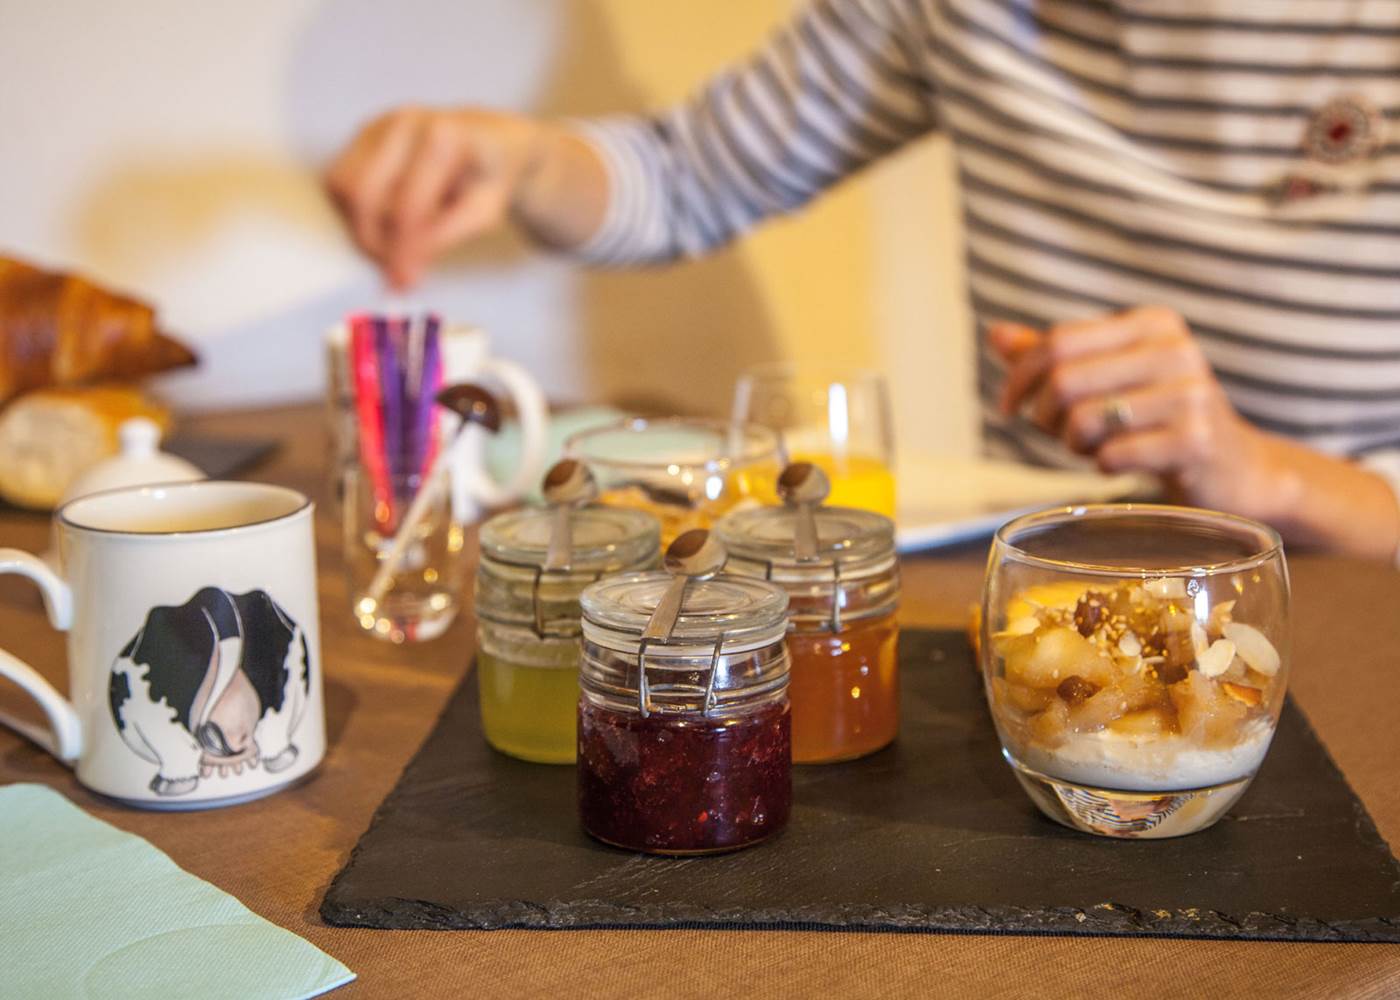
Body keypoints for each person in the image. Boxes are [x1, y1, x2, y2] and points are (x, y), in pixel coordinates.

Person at [325, 0, 1400, 562]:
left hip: (1352, 595)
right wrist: (518, 157)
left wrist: (1260, 472)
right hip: (1050, 588)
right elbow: (685, 176)